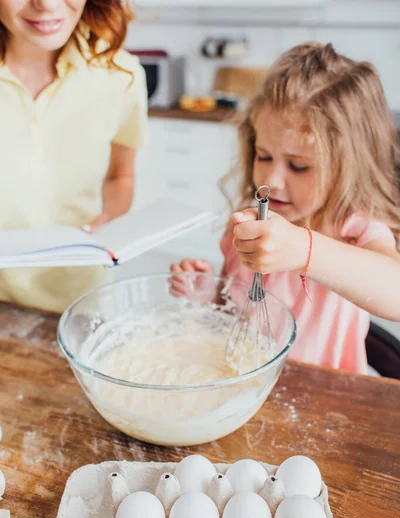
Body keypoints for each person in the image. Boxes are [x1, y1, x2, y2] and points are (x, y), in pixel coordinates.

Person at [171, 42, 400, 374]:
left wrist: (304, 249)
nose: (272, 180)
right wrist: (208, 294)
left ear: (350, 167)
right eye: (264, 156)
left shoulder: (353, 228)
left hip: (324, 403)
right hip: (248, 386)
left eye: (299, 166)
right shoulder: (247, 225)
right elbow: (236, 305)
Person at [0, 0, 148, 313]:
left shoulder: (120, 73)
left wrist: (111, 220)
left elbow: (120, 174)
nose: (46, 4)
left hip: (80, 297)